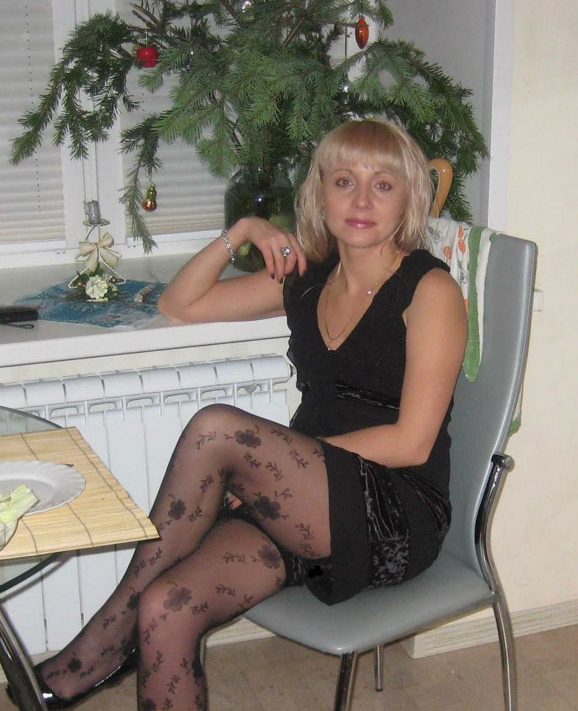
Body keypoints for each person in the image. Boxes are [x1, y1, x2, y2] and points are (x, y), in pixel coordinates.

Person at [14, 119, 467, 710]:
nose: (360, 201)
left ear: (408, 199)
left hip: (391, 510)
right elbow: (180, 305)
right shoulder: (307, 276)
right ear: (319, 194)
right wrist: (244, 230)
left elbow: (412, 442)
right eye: (343, 181)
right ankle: (119, 635)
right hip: (303, 504)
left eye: (382, 185)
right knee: (166, 607)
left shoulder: (429, 290)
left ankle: (100, 644)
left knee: (217, 429)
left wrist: (268, 473)